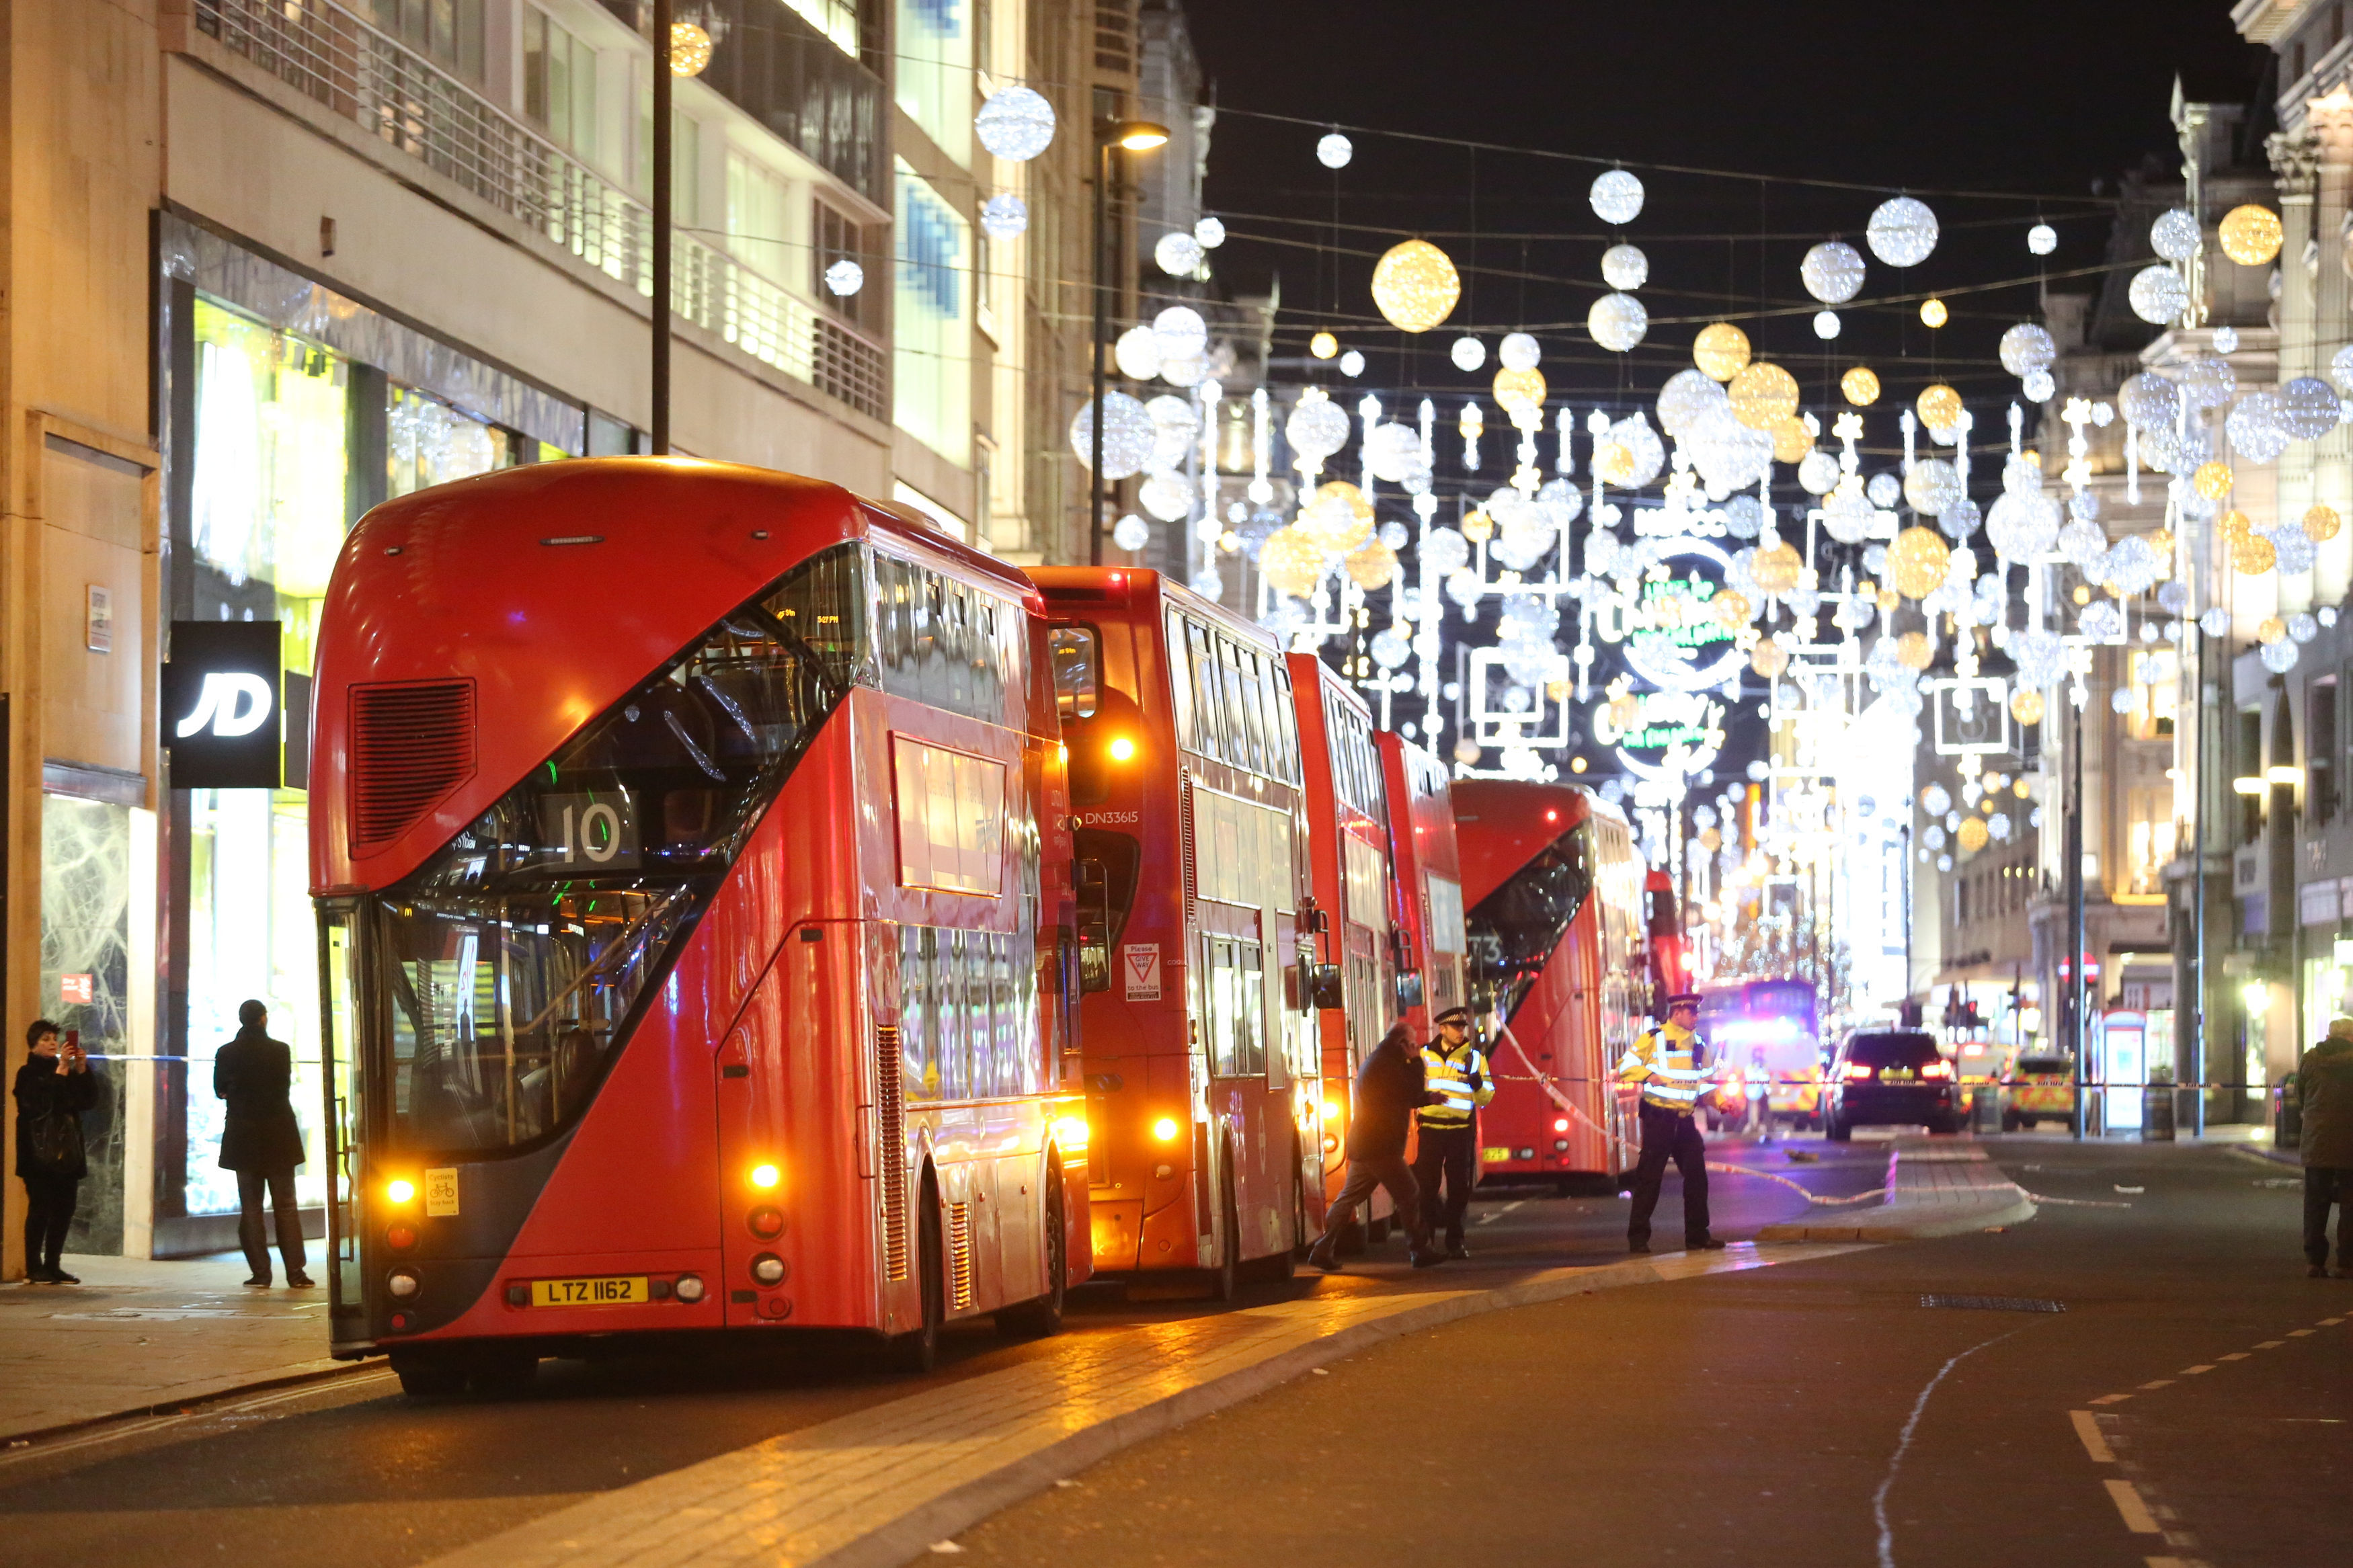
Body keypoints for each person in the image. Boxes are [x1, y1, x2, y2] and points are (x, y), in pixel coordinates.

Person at [1309, 1022, 1441, 1272]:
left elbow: (1400, 1095)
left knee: (1349, 1198)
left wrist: (1425, 1097)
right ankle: (1420, 1250)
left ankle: (1322, 1249)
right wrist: (1416, 1063)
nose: (1416, 1048)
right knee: (1410, 1193)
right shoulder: (1386, 1065)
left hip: (1368, 1144)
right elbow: (1410, 1092)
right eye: (1412, 1045)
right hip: (1381, 1146)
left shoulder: (1381, 1062)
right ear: (1401, 1044)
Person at [1616, 993, 1726, 1255]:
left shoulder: (1699, 1045)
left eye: (1697, 1012)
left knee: (1697, 1178)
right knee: (1649, 1179)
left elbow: (1706, 1086)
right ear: (1677, 1013)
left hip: (1685, 1122)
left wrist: (1721, 1103)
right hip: (1659, 1120)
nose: (1696, 1017)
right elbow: (1624, 1065)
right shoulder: (1654, 1038)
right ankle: (1638, 1239)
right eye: (1692, 1013)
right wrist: (1648, 1075)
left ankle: (1698, 1236)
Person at [215, 999, 313, 1289]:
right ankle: (296, 1274)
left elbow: (219, 1090)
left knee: (252, 1208)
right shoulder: (280, 1051)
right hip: (278, 1138)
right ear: (263, 1019)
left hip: (243, 1139)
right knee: (286, 1206)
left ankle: (261, 1274)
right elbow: (283, 1086)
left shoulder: (226, 1053)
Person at [13, 1020, 100, 1284]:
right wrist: (61, 1072)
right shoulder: (27, 1073)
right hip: (38, 1155)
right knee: (40, 1208)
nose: (52, 1044)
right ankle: (33, 1266)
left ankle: (53, 1265)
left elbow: (87, 1102)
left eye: (54, 1039)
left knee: (64, 1208)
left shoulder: (65, 1070)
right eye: (45, 1039)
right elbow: (38, 1107)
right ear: (33, 1045)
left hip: (67, 1153)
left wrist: (82, 1070)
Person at [1413, 1006, 1494, 1259]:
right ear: (1442, 1029)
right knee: (1426, 1189)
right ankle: (1426, 1243)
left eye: (1463, 1027)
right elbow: (1413, 1091)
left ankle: (1455, 1241)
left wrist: (1478, 1085)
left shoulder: (1475, 1058)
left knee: (1460, 1189)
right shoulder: (1424, 1056)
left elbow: (1487, 1098)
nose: (1461, 1032)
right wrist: (1426, 1099)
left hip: (1460, 1132)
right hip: (1431, 1131)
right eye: (1456, 1027)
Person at [2297, 1016, 2353, 1279]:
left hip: (2317, 1142)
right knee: (2350, 1206)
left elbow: (2301, 1095)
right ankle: (2347, 1263)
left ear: (2330, 1036)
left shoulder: (2310, 1059)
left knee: (2315, 1203)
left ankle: (2315, 1261)